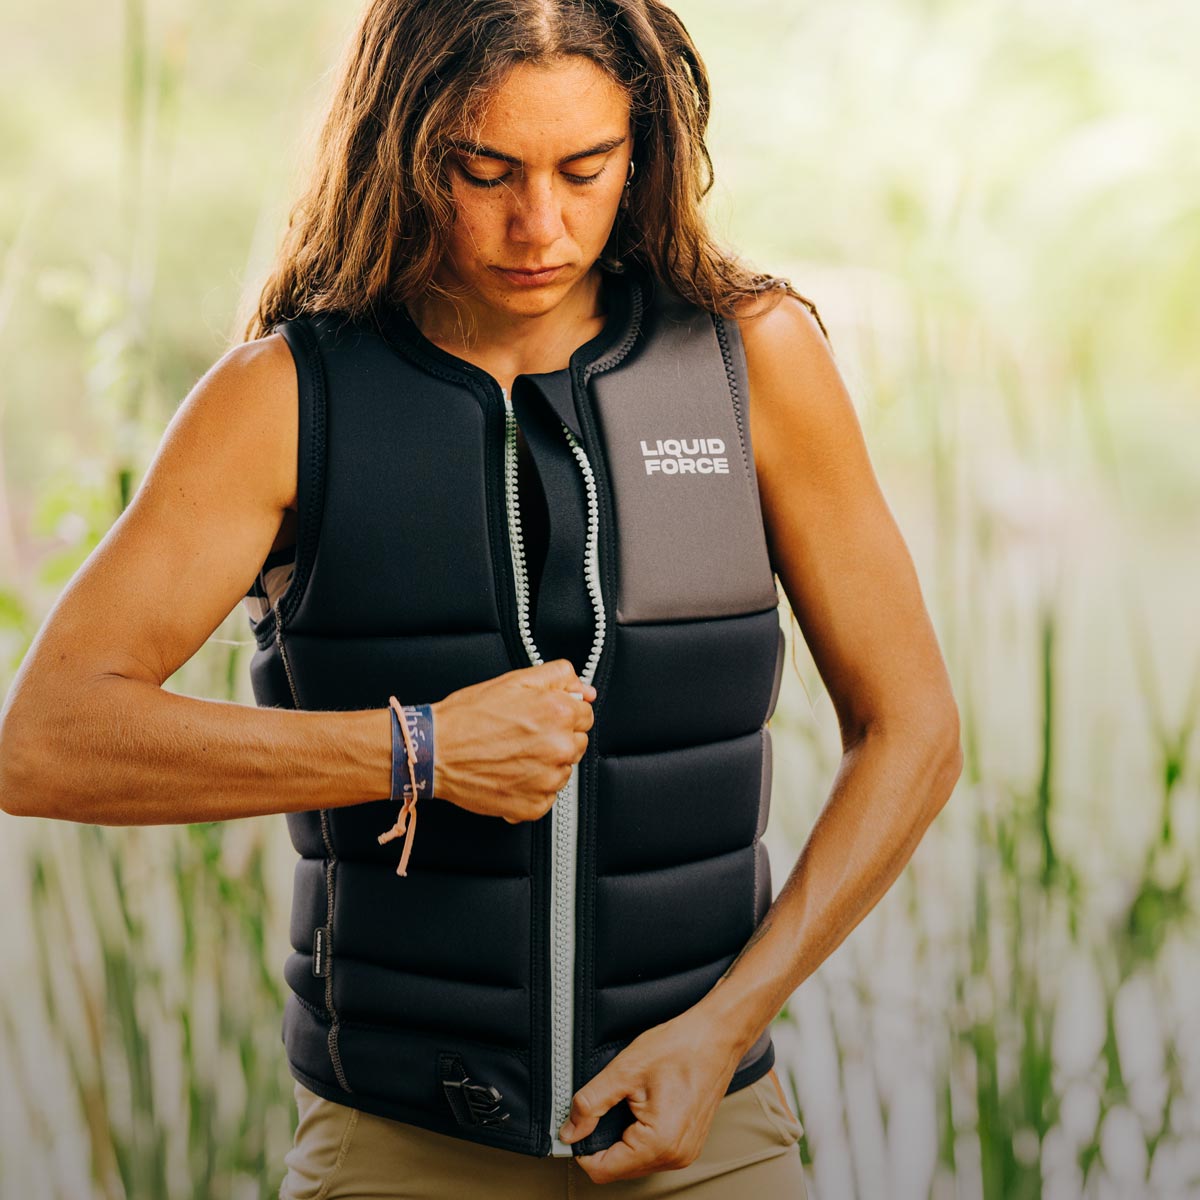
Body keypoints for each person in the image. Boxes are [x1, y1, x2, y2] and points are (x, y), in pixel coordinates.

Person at [0, 0, 963, 1196]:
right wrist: (416, 751)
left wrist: (728, 1027)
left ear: (644, 151)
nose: (539, 226)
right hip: (396, 1146)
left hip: (705, 1127)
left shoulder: (751, 359)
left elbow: (914, 730)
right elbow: (45, 742)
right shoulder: (284, 400)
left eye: (585, 170)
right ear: (404, 150)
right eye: (486, 171)